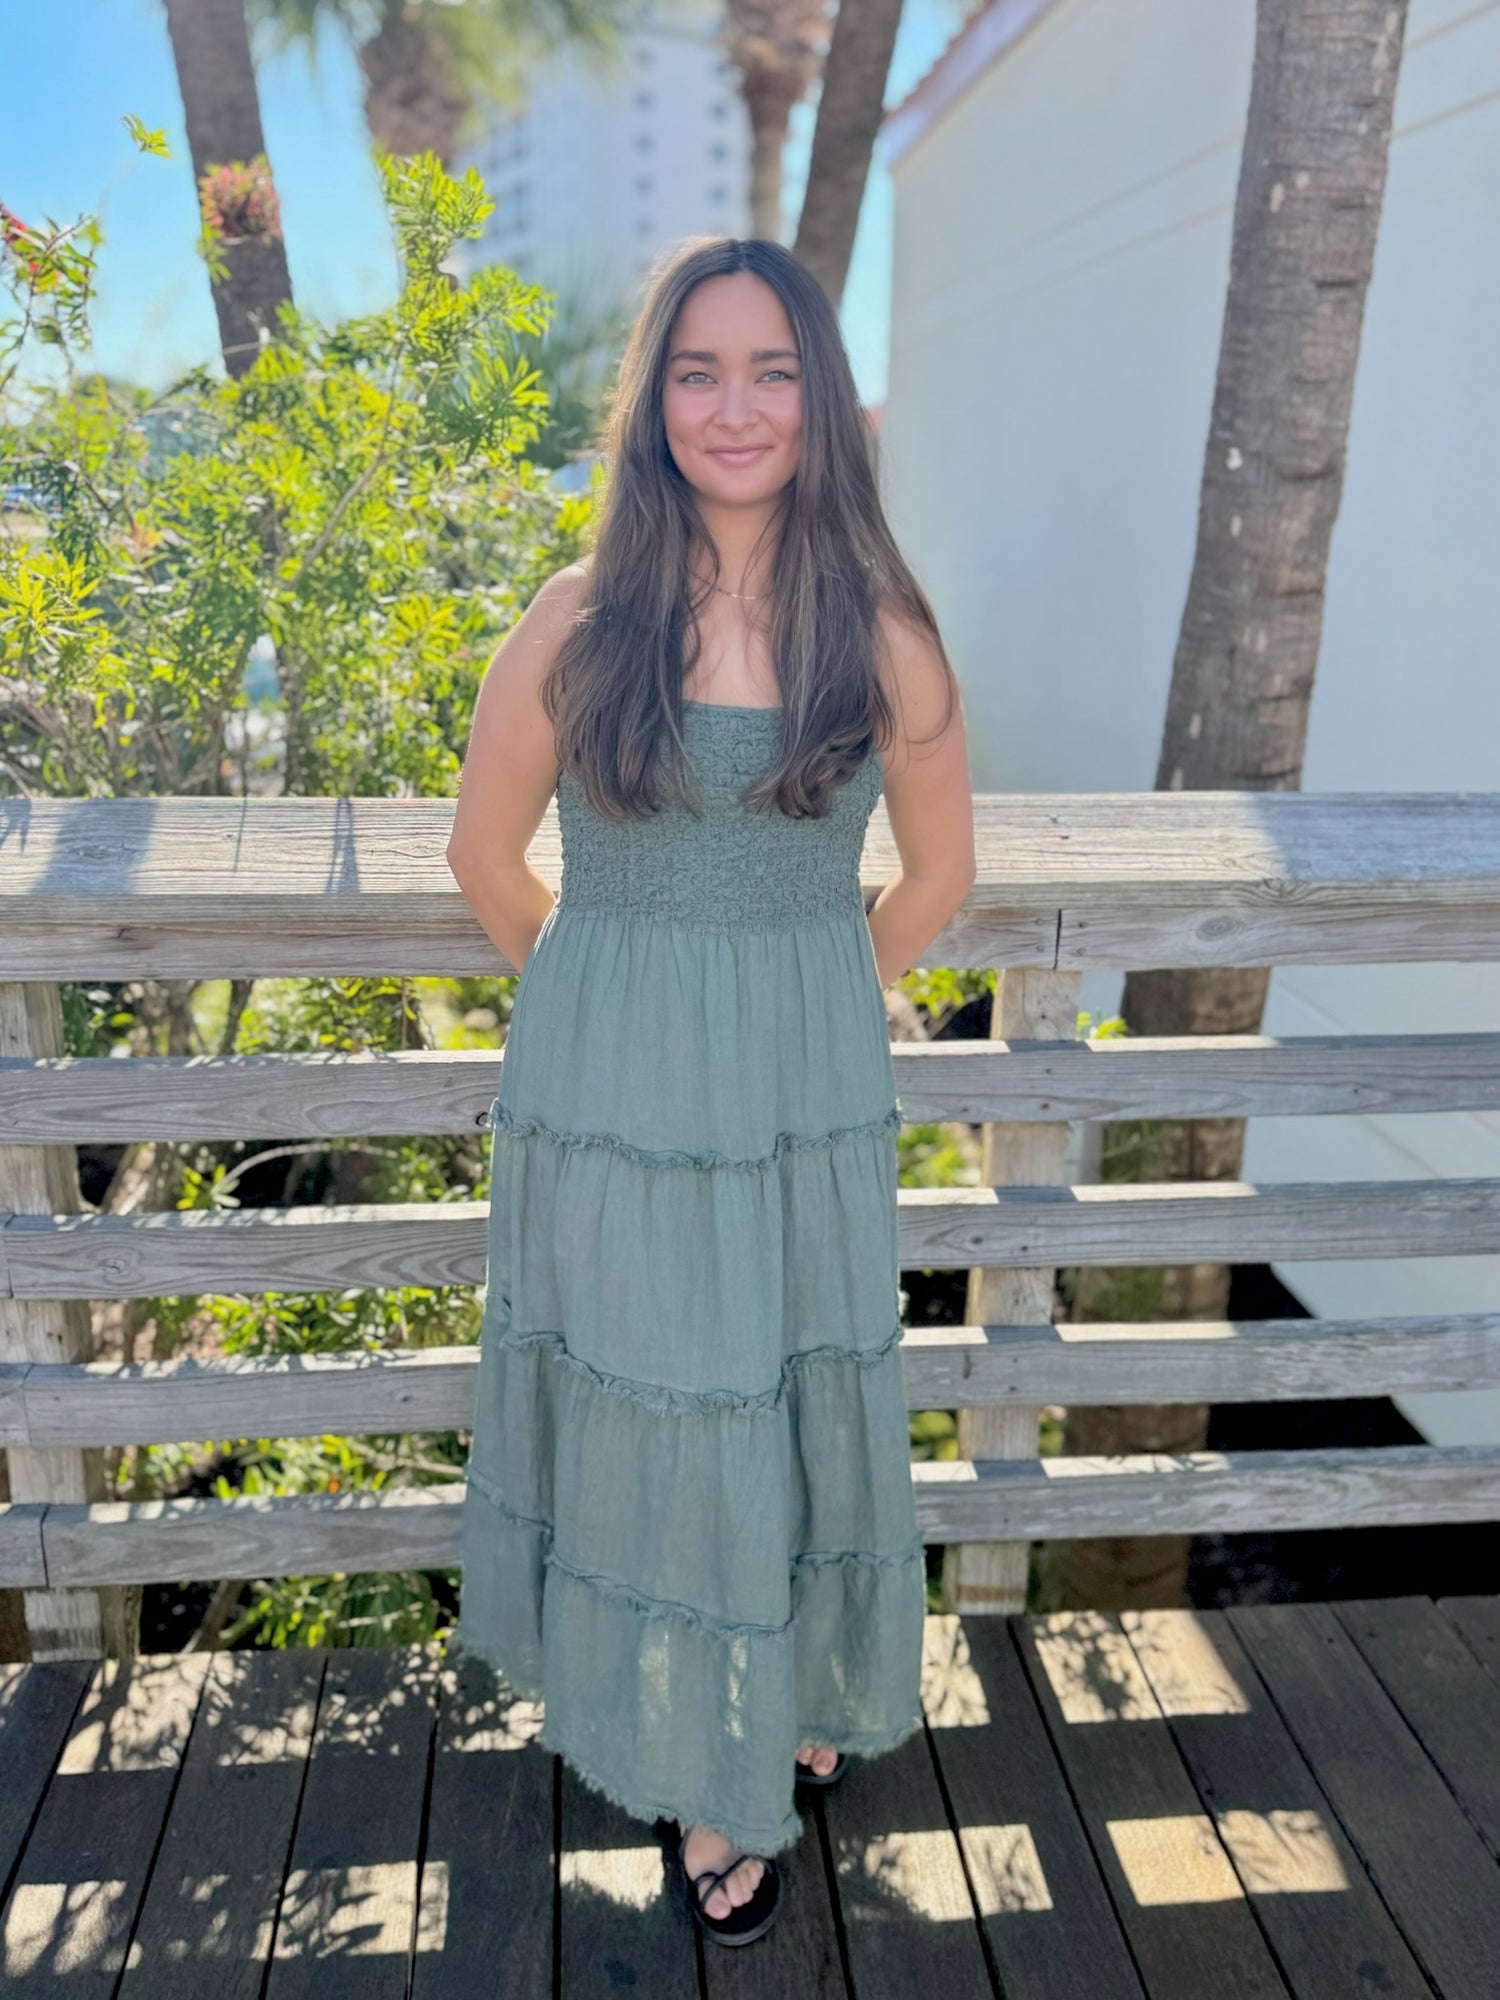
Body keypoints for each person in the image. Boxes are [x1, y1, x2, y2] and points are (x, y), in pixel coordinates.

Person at [445, 234, 975, 1948]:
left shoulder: (879, 625)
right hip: (608, 1105)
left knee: (787, 1396)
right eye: (695, 370)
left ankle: (787, 1694)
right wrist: (615, 1009)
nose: (732, 406)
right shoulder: (576, 616)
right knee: (658, 1406)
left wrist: (800, 1006)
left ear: (820, 395)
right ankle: (697, 1760)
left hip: (798, 1105)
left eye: (769, 370)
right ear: (652, 400)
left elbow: (940, 879)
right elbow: (482, 855)